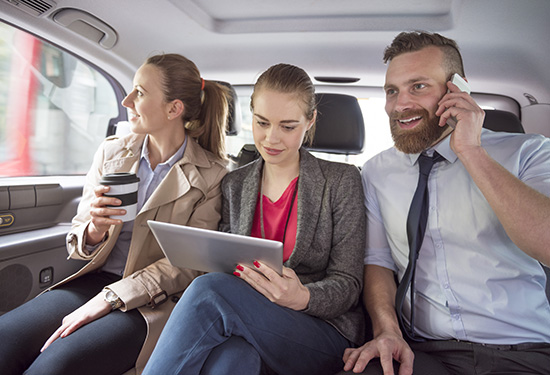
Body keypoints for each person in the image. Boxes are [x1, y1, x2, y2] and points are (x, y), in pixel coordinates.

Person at [0, 53, 230, 375]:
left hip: (150, 301)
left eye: (140, 92)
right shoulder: (111, 152)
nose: (126, 100)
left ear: (174, 108)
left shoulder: (214, 176)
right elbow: (78, 238)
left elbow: (188, 266)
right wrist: (93, 229)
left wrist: (110, 299)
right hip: (93, 280)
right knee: (5, 339)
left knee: (56, 364)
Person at [342, 31, 550, 375]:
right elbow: (377, 262)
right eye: (392, 91)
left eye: (418, 87)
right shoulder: (376, 172)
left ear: (458, 89)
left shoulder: (530, 153)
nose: (400, 104)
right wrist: (387, 331)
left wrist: (470, 151)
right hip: (426, 354)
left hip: (526, 352)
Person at [142, 63, 366, 375]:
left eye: (288, 127)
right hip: (249, 320)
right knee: (233, 359)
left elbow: (349, 283)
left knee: (209, 291)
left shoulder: (342, 181)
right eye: (262, 123)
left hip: (321, 329)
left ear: (310, 120)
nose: (271, 138)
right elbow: (224, 263)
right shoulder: (235, 183)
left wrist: (302, 296)